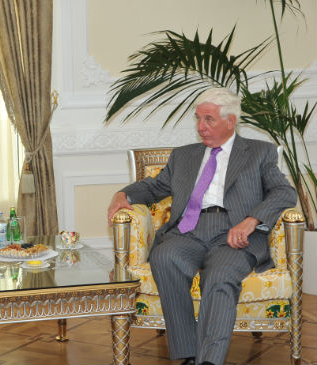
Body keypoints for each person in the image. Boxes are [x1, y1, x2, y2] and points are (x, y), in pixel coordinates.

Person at [107, 88, 297, 365]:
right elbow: (155, 187)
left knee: (220, 276)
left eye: (208, 119)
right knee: (165, 256)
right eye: (198, 119)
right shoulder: (183, 156)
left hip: (234, 234)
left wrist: (251, 220)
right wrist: (123, 194)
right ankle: (187, 354)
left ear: (230, 121)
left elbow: (284, 193)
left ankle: (208, 361)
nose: (200, 127)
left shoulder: (260, 153)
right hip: (189, 230)